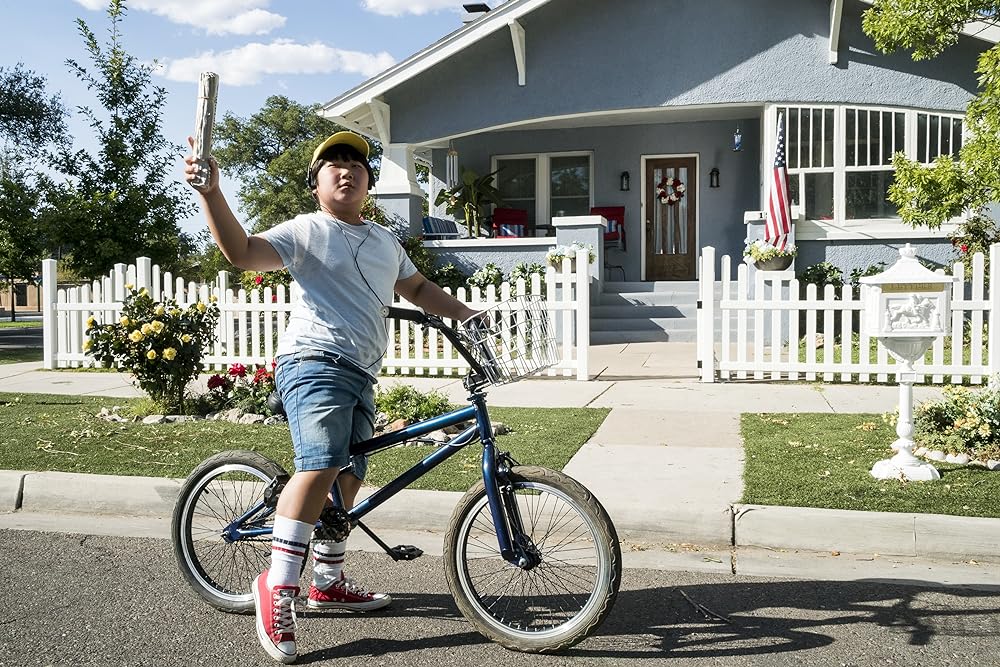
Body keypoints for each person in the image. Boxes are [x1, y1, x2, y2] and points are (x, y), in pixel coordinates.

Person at [185, 131, 478, 664]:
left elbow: (416, 289)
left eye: (357, 165)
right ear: (316, 183)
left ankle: (327, 579)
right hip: (314, 363)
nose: (347, 172)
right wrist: (212, 194)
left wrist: (468, 317)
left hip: (362, 372)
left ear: (369, 182)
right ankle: (277, 586)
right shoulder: (306, 230)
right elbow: (243, 253)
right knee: (320, 465)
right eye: (333, 165)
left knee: (350, 473)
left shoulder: (386, 241)